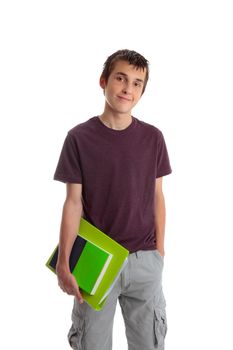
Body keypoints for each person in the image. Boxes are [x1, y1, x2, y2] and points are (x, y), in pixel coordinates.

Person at [53, 49, 172, 350]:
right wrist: (65, 262)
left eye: (136, 83)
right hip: (96, 259)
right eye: (120, 78)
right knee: (91, 344)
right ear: (103, 81)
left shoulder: (153, 138)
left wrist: (158, 249)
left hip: (144, 260)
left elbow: (157, 195)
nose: (127, 89)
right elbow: (73, 203)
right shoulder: (79, 138)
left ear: (142, 91)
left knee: (150, 343)